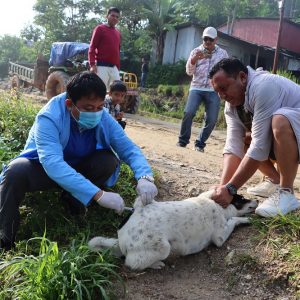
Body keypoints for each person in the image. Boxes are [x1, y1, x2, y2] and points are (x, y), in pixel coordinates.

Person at [0, 72, 158, 251]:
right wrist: (98, 194)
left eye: (99, 107)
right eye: (89, 108)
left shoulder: (102, 115)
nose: (95, 113)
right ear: (69, 104)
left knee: (108, 161)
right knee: (15, 172)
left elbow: (128, 148)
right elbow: (52, 163)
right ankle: (5, 237)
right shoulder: (49, 117)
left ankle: (73, 198)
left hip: (79, 166)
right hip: (44, 169)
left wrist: (145, 176)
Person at [210, 58, 300, 217]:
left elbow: (259, 147)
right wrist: (223, 188)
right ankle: (276, 182)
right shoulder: (231, 106)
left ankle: (286, 192)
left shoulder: (263, 86)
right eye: (217, 91)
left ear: (242, 77)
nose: (222, 96)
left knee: (280, 120)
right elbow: (233, 146)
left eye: (224, 88)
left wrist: (231, 189)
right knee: (247, 139)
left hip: (294, 131)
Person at [177, 26, 228, 152]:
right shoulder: (196, 51)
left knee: (211, 119)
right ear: (202, 39)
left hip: (213, 90)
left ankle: (200, 143)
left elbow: (227, 72)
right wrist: (194, 60)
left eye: (210, 39)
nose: (208, 42)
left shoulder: (223, 54)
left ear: (216, 40)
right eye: (205, 39)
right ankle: (183, 141)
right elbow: (189, 72)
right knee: (188, 113)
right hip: (196, 87)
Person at [88, 7, 121, 90]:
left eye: (117, 17)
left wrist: (117, 67)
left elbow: (117, 51)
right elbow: (92, 47)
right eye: (113, 15)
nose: (115, 18)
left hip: (114, 68)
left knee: (115, 91)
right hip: (101, 67)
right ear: (107, 16)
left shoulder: (117, 33)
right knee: (100, 91)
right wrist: (92, 64)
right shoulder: (100, 29)